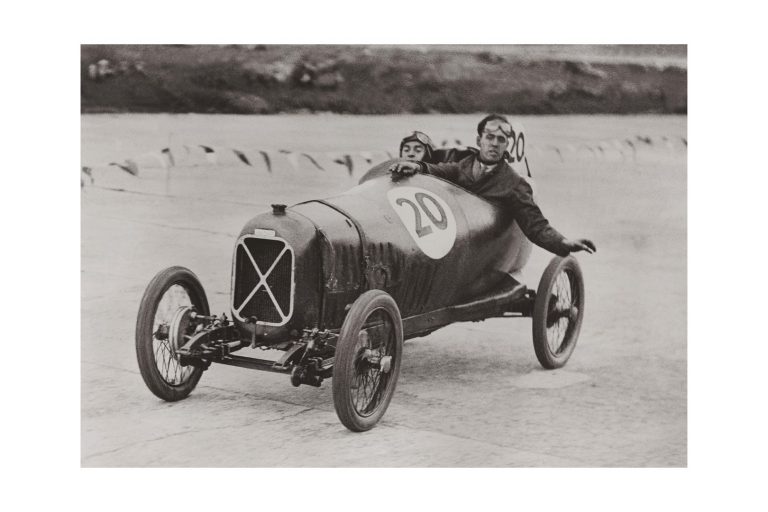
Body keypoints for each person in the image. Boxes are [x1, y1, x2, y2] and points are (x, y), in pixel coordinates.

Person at [389, 114, 596, 258]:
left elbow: (535, 224)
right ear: (479, 140)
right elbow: (437, 170)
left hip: (481, 251)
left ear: (507, 145)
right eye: (489, 137)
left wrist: (563, 242)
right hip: (452, 243)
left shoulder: (514, 183)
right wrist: (415, 166)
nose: (494, 143)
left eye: (501, 139)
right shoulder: (462, 165)